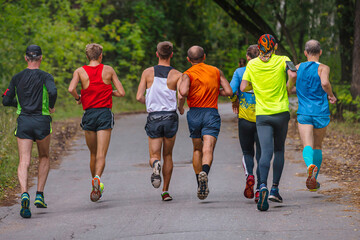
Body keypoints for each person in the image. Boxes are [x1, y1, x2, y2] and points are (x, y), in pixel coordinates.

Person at [240, 34, 297, 211]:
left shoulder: (252, 64)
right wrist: (288, 87)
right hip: (280, 113)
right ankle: (274, 189)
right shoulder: (283, 60)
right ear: (275, 47)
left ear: (259, 48)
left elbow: (243, 87)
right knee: (279, 149)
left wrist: (253, 86)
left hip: (262, 115)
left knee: (265, 152)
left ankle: (262, 185)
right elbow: (293, 73)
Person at [2, 45, 57, 218]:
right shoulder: (46, 76)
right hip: (41, 122)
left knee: (24, 160)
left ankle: (24, 193)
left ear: (26, 58)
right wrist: (51, 105)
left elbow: (5, 100)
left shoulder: (17, 77)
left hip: (24, 122)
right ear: (41, 58)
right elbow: (53, 91)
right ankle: (39, 195)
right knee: (44, 157)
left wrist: (18, 104)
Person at [68, 43, 125, 202]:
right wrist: (109, 91)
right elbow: (121, 92)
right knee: (101, 154)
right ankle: (98, 179)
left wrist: (78, 98)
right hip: (104, 114)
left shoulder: (80, 71)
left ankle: (95, 182)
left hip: (89, 115)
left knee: (93, 153)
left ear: (87, 56)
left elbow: (71, 88)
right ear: (101, 55)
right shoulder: (108, 70)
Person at [179, 45, 232, 200]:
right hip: (211, 113)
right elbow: (228, 91)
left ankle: (199, 182)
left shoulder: (187, 74)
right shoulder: (215, 71)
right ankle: (205, 173)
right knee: (208, 147)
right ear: (204, 57)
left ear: (188, 59)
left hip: (194, 113)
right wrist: (215, 91)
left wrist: (180, 107)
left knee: (197, 149)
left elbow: (182, 92)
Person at [136, 41, 184, 201]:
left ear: (157, 54)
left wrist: (149, 101)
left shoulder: (147, 73)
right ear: (171, 54)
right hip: (170, 117)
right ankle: (165, 191)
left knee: (154, 155)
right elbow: (181, 95)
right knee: (168, 155)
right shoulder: (177, 74)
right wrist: (181, 107)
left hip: (154, 117)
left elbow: (138, 97)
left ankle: (155, 163)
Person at [295, 40, 337, 191]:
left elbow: (292, 80)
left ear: (306, 53)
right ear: (320, 52)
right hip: (320, 112)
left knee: (307, 145)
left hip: (304, 113)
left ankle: (309, 166)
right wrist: (331, 96)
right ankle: (315, 179)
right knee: (318, 146)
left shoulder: (298, 67)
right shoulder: (323, 68)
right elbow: (325, 83)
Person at [229, 45, 261, 203]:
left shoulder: (240, 72)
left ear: (247, 57)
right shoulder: (266, 70)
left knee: (248, 152)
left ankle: (250, 174)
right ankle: (259, 190)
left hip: (245, 119)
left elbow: (231, 91)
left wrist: (234, 101)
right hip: (264, 119)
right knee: (262, 155)